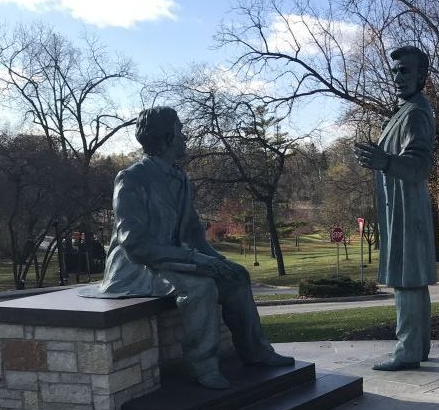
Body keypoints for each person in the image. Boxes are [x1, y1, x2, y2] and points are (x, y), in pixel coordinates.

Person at [92, 106, 293, 389]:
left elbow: (194, 236)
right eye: (180, 130)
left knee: (236, 276)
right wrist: (193, 260)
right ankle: (203, 366)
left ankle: (256, 351)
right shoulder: (132, 178)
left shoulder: (181, 179)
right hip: (138, 266)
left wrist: (218, 261)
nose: (185, 136)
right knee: (200, 287)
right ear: (166, 137)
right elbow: (135, 244)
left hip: (171, 260)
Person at [354, 46, 436, 371]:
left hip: (406, 209)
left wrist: (383, 161)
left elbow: (419, 165)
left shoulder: (416, 112)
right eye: (394, 71)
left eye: (404, 71)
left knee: (406, 279)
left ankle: (407, 350)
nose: (397, 77)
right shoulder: (405, 110)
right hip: (400, 207)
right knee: (412, 280)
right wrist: (381, 158)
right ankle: (419, 347)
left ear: (421, 76)